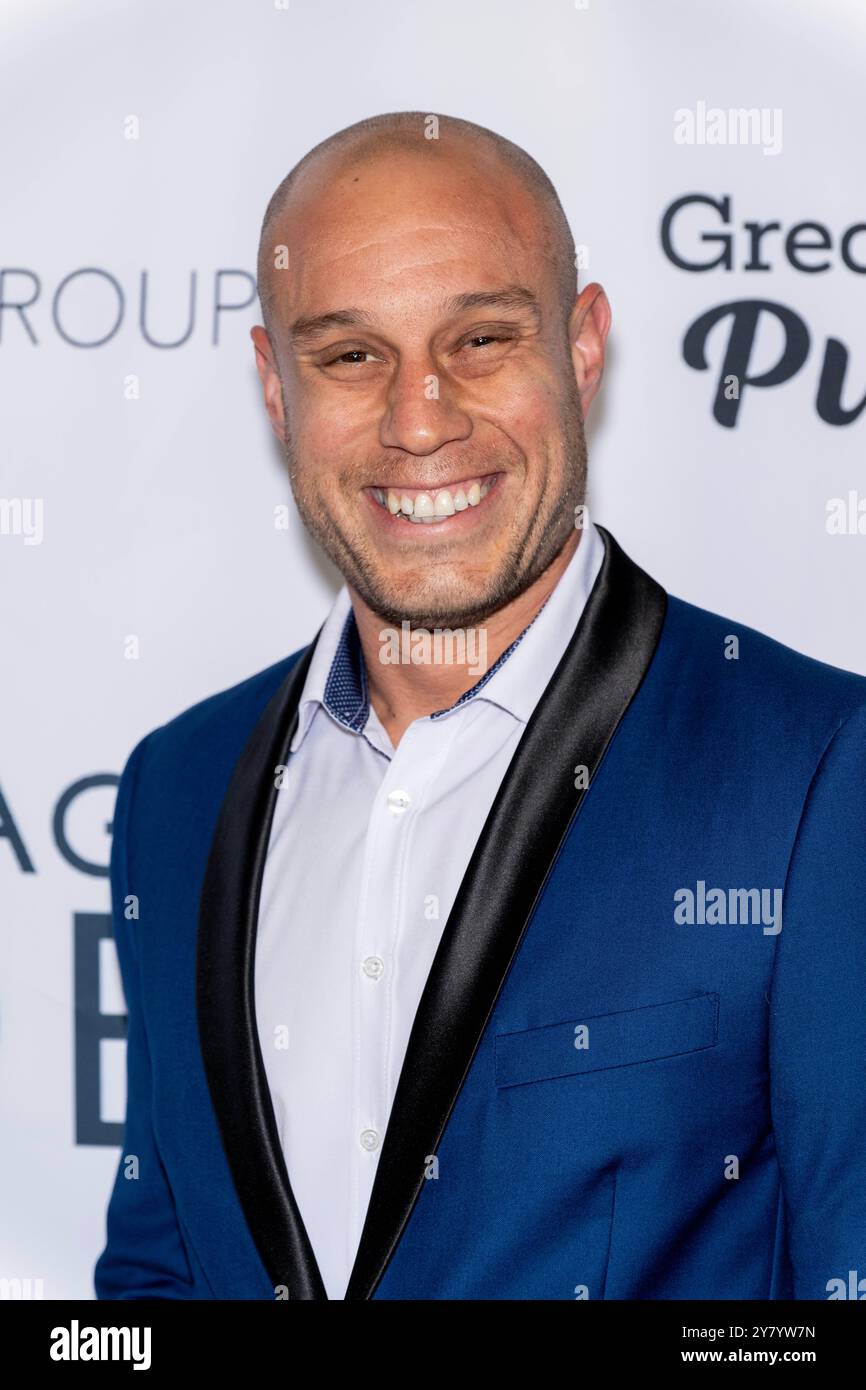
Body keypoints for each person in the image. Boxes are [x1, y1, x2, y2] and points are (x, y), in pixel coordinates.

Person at [94, 111, 866, 1301]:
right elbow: (158, 1275)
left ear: (583, 345)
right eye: (349, 355)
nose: (419, 417)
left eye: (481, 339)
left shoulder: (816, 770)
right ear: (272, 385)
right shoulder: (174, 789)